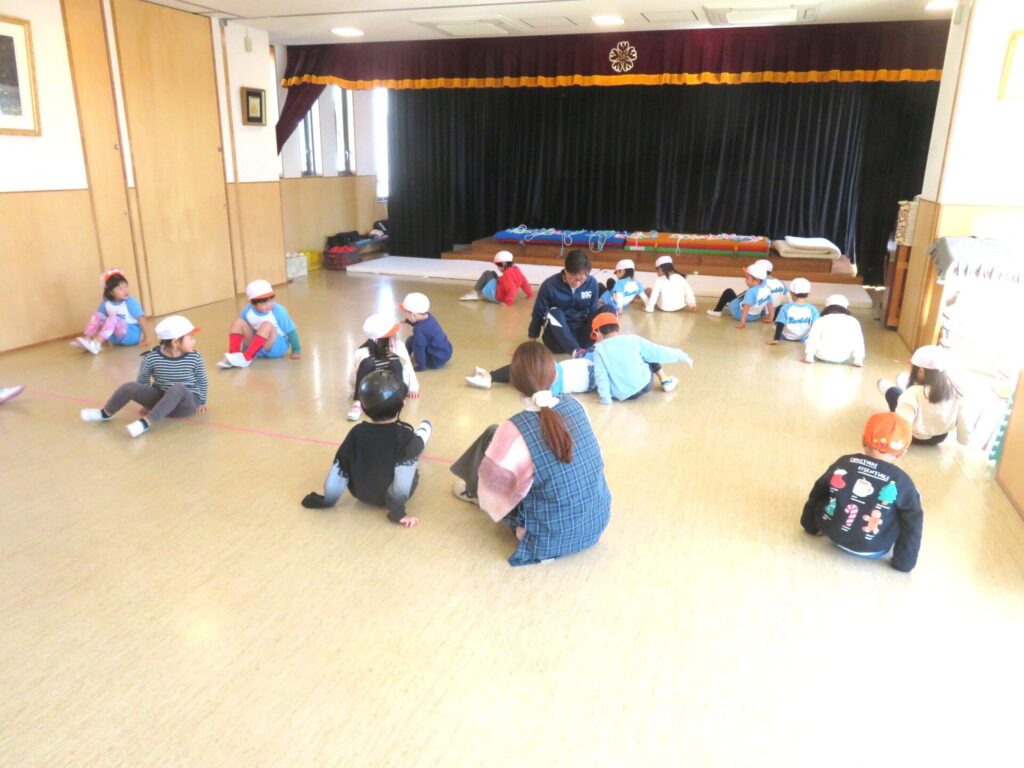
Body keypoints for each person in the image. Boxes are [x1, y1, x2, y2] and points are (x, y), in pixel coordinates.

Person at [450, 342, 612, 566]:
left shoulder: (513, 430)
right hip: (596, 523)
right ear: (555, 376)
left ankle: (470, 489)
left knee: (492, 436)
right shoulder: (575, 405)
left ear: (514, 384)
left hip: (547, 540)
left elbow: (492, 501)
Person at [300, 369, 431, 528]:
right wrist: (397, 512)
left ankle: (423, 431)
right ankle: (426, 427)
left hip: (360, 494)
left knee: (411, 446)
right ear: (403, 404)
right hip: (390, 500)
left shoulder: (356, 432)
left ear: (362, 408)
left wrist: (327, 500)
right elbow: (402, 484)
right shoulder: (406, 436)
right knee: (415, 448)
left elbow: (339, 469)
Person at [801, 412, 923, 572]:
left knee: (830, 487)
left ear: (863, 440)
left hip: (833, 535)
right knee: (912, 500)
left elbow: (818, 490)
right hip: (872, 548)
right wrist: (904, 563)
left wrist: (809, 525)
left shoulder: (844, 462)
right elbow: (913, 524)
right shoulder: (902, 481)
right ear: (901, 453)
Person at [80, 315, 207, 438]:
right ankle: (105, 413)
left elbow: (202, 380)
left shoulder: (195, 357)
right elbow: (142, 382)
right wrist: (147, 404)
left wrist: (202, 401)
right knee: (129, 387)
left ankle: (146, 422)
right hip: (161, 399)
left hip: (185, 405)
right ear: (175, 342)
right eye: (190, 338)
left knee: (178, 388)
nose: (194, 341)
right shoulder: (151, 357)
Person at [877, 344, 970, 446]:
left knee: (895, 393)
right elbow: (964, 423)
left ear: (921, 370)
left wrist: (897, 442)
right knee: (907, 396)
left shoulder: (913, 393)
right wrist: (964, 440)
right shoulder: (957, 391)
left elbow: (903, 423)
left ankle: (889, 388)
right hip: (938, 437)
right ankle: (902, 384)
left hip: (912, 436)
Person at [590, 312, 692, 402]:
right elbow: (658, 352)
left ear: (597, 332)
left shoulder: (599, 350)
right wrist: (681, 355)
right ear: (618, 328)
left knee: (646, 354)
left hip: (620, 394)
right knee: (649, 354)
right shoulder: (634, 340)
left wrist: (605, 399)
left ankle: (665, 380)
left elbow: (601, 376)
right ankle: (665, 380)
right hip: (644, 385)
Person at [348, 313, 419, 421]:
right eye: (392, 335)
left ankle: (398, 399)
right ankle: (358, 403)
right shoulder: (363, 352)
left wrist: (413, 388)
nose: (395, 337)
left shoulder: (399, 347)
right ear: (380, 340)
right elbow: (354, 374)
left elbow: (408, 367)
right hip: (373, 388)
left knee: (395, 363)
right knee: (367, 363)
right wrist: (354, 391)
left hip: (394, 387)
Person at [528, 249, 601, 355]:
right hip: (557, 340)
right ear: (565, 270)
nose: (577, 283)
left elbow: (594, 311)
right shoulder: (550, 285)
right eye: (572, 278)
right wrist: (532, 341)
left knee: (608, 309)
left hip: (581, 338)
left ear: (587, 274)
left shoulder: (592, 283)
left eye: (581, 279)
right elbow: (538, 313)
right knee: (554, 312)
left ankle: (609, 346)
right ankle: (576, 352)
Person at [218, 279, 301, 368]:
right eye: (264, 302)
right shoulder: (247, 311)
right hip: (257, 346)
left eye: (271, 300)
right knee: (238, 322)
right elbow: (243, 330)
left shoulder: (279, 311)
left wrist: (296, 350)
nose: (269, 304)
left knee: (267, 325)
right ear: (253, 303)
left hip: (276, 346)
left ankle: (247, 358)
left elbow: (291, 331)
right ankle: (234, 355)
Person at [73, 268, 146, 355]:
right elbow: (99, 319)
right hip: (116, 338)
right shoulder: (106, 303)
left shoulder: (130, 302)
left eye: (126, 287)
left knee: (113, 318)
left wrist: (146, 338)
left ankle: (96, 343)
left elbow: (142, 319)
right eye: (120, 289)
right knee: (97, 315)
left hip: (131, 335)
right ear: (111, 292)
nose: (125, 290)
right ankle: (87, 339)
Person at [802, 294, 865, 366]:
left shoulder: (821, 320)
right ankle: (858, 360)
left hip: (821, 355)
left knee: (813, 336)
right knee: (856, 338)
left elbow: (813, 339)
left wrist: (809, 356)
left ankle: (809, 357)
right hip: (843, 356)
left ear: (827, 307)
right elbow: (859, 341)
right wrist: (859, 359)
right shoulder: (853, 321)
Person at [706, 262, 773, 328]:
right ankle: (728, 306)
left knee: (729, 291)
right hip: (756, 317)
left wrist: (742, 322)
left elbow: (746, 307)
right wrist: (771, 318)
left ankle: (717, 311)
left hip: (739, 314)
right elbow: (770, 305)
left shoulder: (751, 291)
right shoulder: (767, 289)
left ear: (757, 281)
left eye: (747, 278)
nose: (745, 281)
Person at [400, 292, 453, 371]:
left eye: (406, 313)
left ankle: (404, 357)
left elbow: (419, 347)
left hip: (434, 361)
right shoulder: (429, 317)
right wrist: (408, 321)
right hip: (444, 353)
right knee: (416, 340)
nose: (405, 316)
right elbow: (421, 324)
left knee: (412, 341)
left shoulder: (419, 330)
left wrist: (421, 366)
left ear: (414, 315)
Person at [459, 250, 533, 305]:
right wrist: (529, 293)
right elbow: (524, 282)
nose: (497, 267)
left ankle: (475, 293)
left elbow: (512, 289)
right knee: (493, 273)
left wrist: (508, 302)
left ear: (504, 264)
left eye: (498, 265)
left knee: (487, 273)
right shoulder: (516, 269)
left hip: (497, 296)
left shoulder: (507, 274)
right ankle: (479, 291)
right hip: (501, 292)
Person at [767, 277, 820, 345]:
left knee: (777, 322)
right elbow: (817, 325)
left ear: (791, 293)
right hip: (804, 337)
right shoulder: (813, 309)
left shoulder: (785, 308)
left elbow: (780, 324)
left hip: (786, 336)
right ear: (808, 294)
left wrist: (776, 339)